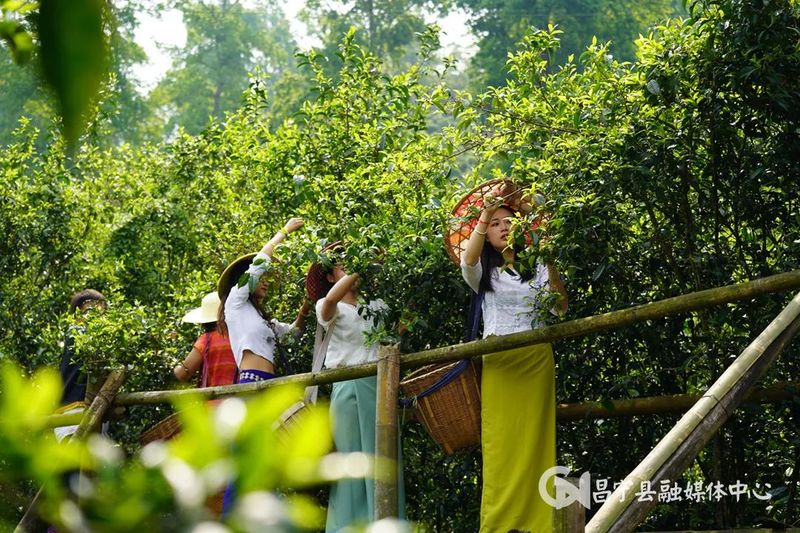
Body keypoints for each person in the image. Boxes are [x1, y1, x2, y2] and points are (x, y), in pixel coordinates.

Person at [460, 184, 568, 533]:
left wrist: (546, 247)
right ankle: (499, 525)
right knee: (500, 444)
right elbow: (468, 260)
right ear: (485, 232)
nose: (503, 227)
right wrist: (485, 211)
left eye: (509, 221)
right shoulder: (482, 274)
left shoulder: (537, 266)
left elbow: (560, 307)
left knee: (537, 439)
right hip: (500, 364)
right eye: (495, 224)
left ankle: (541, 523)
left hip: (536, 360)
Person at [306, 246, 405, 532]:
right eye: (342, 265)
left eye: (353, 262)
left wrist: (405, 323)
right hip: (348, 391)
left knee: (384, 462)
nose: (350, 268)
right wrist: (362, 265)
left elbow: (386, 341)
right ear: (330, 276)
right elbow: (332, 299)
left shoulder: (377, 304)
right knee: (350, 467)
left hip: (380, 386)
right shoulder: (328, 305)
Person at [54, 289, 107, 442]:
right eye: (89, 312)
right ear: (76, 317)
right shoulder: (76, 332)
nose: (96, 318)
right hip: (73, 414)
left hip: (95, 415)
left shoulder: (100, 339)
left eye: (101, 314)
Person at [173, 291, 237, 389]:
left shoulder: (206, 340)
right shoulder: (240, 336)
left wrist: (176, 369)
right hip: (242, 395)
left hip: (215, 397)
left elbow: (183, 374)